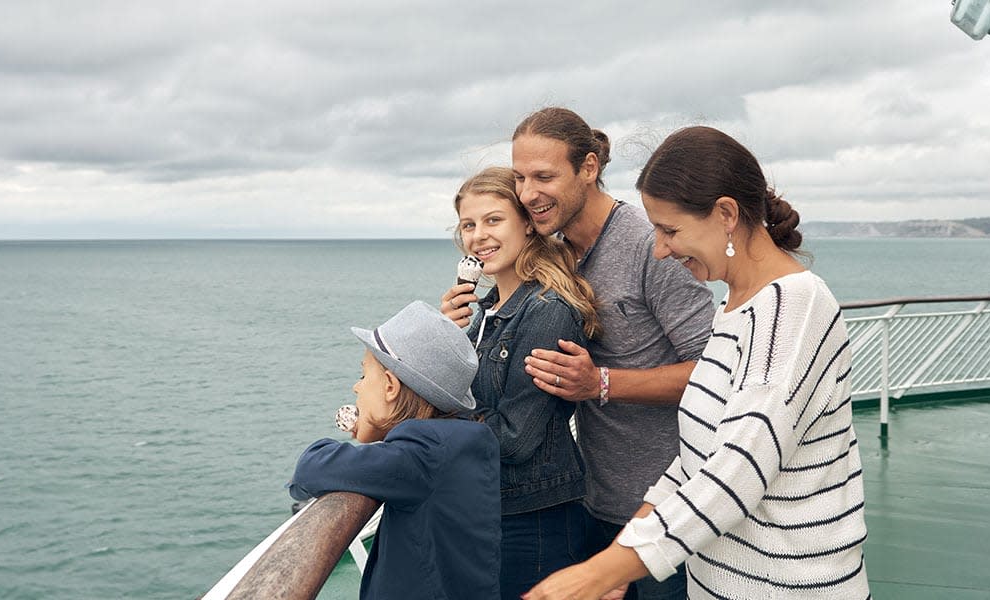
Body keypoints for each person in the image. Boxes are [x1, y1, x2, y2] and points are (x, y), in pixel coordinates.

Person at [525, 126, 870, 599]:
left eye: (669, 230)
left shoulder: (796, 307)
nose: (660, 248)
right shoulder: (734, 308)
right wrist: (620, 562)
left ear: (726, 214)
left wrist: (597, 575)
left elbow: (737, 470)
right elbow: (693, 464)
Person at [504, 107, 716, 599]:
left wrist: (600, 383)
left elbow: (715, 371)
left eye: (544, 176)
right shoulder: (553, 253)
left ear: (589, 168)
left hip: (671, 510)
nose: (528, 193)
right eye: (519, 178)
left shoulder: (649, 244)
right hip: (595, 503)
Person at [438, 166, 600, 599]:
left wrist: (434, 423)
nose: (478, 236)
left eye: (494, 220)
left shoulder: (547, 309)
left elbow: (514, 438)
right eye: (468, 225)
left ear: (528, 224)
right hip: (493, 511)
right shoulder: (486, 311)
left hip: (536, 519)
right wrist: (445, 339)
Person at [287, 300, 501, 600]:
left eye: (363, 375)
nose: (356, 388)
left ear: (390, 386)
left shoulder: (421, 455)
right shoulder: (464, 440)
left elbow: (311, 467)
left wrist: (375, 433)